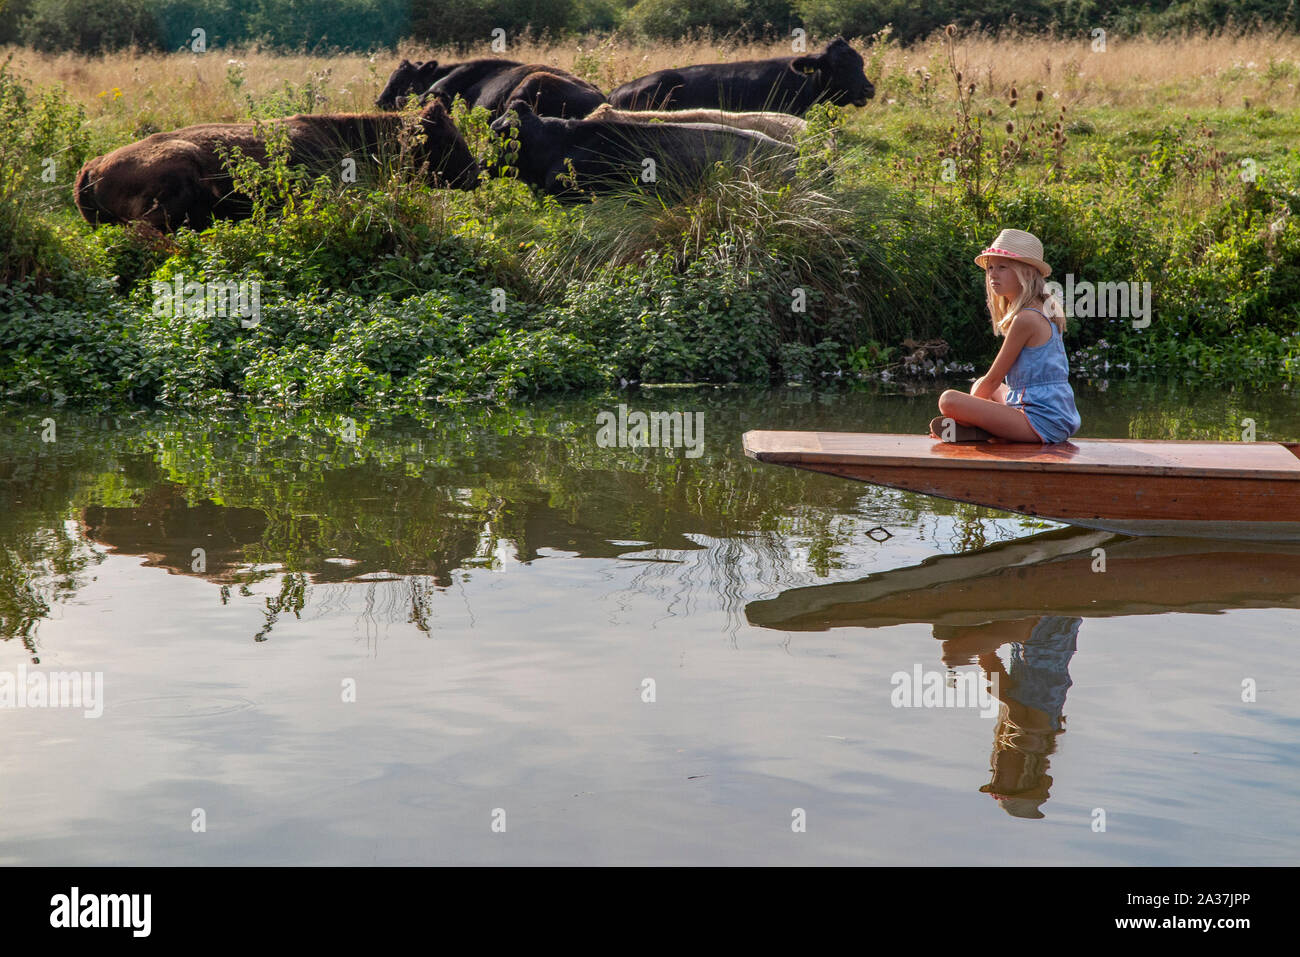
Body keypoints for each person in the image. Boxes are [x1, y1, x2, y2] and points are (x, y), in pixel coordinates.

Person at [929, 228, 1082, 444]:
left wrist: (962, 416)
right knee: (978, 383)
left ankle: (976, 428)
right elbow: (989, 384)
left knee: (949, 400)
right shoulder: (1043, 309)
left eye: (1002, 267)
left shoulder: (1026, 319)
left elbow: (994, 379)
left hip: (1040, 421)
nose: (993, 273)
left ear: (1026, 273)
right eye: (990, 267)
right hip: (1052, 415)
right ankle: (983, 431)